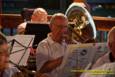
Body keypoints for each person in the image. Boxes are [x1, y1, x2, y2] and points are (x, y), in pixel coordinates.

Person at [36, 13, 70, 77]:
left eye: (65, 27)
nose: (62, 30)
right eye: (59, 27)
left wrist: (72, 45)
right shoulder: (44, 44)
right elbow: (42, 69)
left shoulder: (69, 42)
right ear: (51, 26)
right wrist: (65, 57)